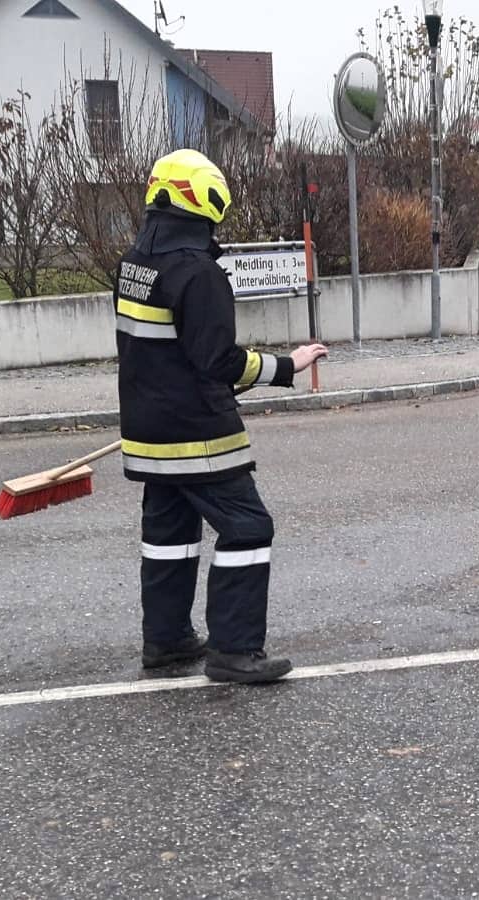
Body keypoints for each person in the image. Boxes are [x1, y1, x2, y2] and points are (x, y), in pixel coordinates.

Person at [115, 148, 327, 683]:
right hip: (198, 437)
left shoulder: (135, 265)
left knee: (171, 534)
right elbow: (218, 362)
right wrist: (287, 365)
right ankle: (234, 650)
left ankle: (165, 641)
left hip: (147, 434)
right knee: (250, 528)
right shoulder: (198, 273)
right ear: (206, 201)